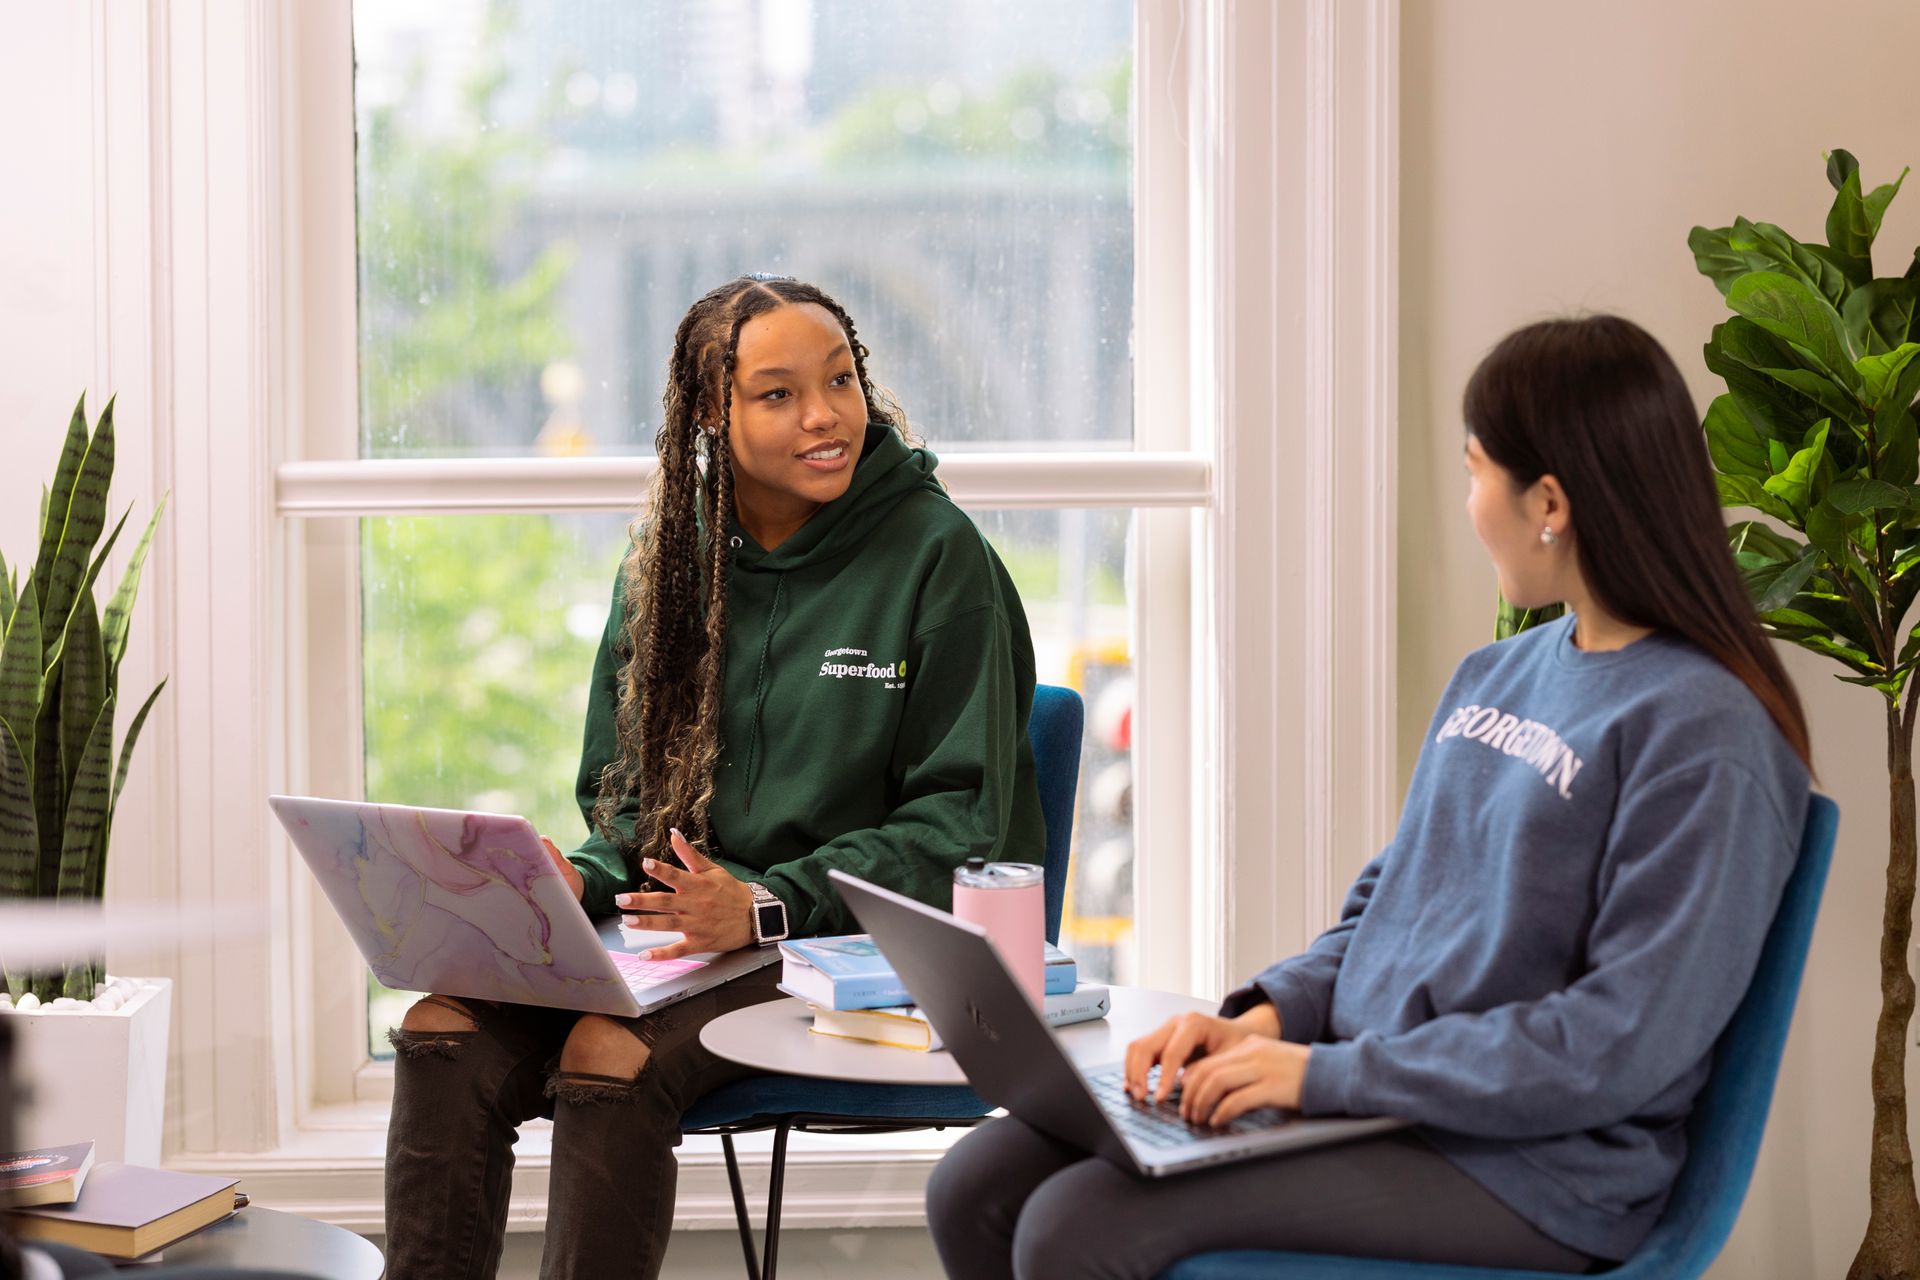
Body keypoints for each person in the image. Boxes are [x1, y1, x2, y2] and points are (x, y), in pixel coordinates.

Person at [927, 314, 1814, 1278]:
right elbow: (1392, 907)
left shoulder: (1709, 737)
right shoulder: (1497, 675)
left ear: (1548, 500)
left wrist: (1325, 1078)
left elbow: (1615, 1044)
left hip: (1533, 1166)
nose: (1470, 502)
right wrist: (1267, 1021)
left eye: (1477, 471)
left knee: (1080, 1225)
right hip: (1376, 1095)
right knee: (980, 1180)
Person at [382, 275, 1044, 1280]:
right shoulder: (670, 558)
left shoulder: (939, 557)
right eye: (778, 393)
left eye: (839, 379)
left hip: (851, 943)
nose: (825, 415)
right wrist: (583, 881)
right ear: (711, 413)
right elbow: (631, 805)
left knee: (609, 1050)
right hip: (680, 942)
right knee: (442, 1028)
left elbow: (967, 831)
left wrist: (768, 902)